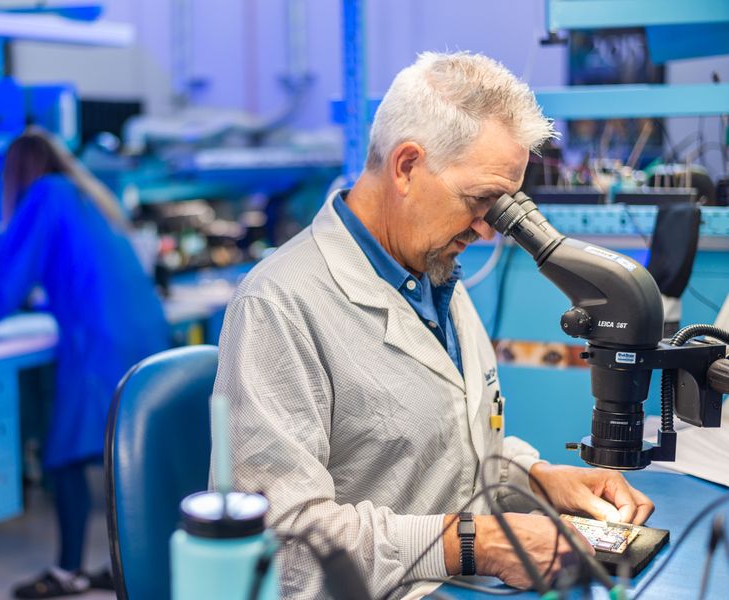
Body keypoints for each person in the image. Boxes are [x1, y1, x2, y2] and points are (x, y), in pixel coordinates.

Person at [212, 52, 654, 599]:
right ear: (406, 166)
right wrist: (472, 542)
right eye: (480, 201)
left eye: (503, 206)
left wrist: (538, 479)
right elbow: (282, 545)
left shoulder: (432, 272)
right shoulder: (278, 304)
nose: (488, 230)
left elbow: (448, 451)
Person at [0, 127, 171, 599]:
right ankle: (125, 565)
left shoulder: (45, 193)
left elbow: (14, 271)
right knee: (121, 452)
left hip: (99, 342)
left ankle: (68, 573)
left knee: (64, 454)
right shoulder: (88, 196)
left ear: (17, 171)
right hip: (142, 332)